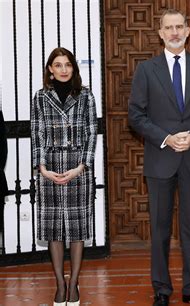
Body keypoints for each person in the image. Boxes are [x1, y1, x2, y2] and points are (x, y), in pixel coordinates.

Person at [128, 9, 190, 306]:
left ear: (188, 30)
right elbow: (136, 116)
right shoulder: (146, 70)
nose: (174, 32)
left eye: (179, 27)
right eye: (168, 28)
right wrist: (166, 138)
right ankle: (162, 290)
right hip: (160, 159)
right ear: (160, 33)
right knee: (159, 230)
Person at [31, 47, 98, 306]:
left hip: (77, 167)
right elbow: (36, 133)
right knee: (54, 231)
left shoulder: (85, 95)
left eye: (67, 64)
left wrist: (83, 165)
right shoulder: (40, 97)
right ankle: (60, 284)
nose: (63, 69)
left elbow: (92, 133)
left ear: (73, 67)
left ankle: (74, 285)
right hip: (49, 167)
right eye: (57, 65)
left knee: (78, 229)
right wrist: (42, 168)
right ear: (50, 69)